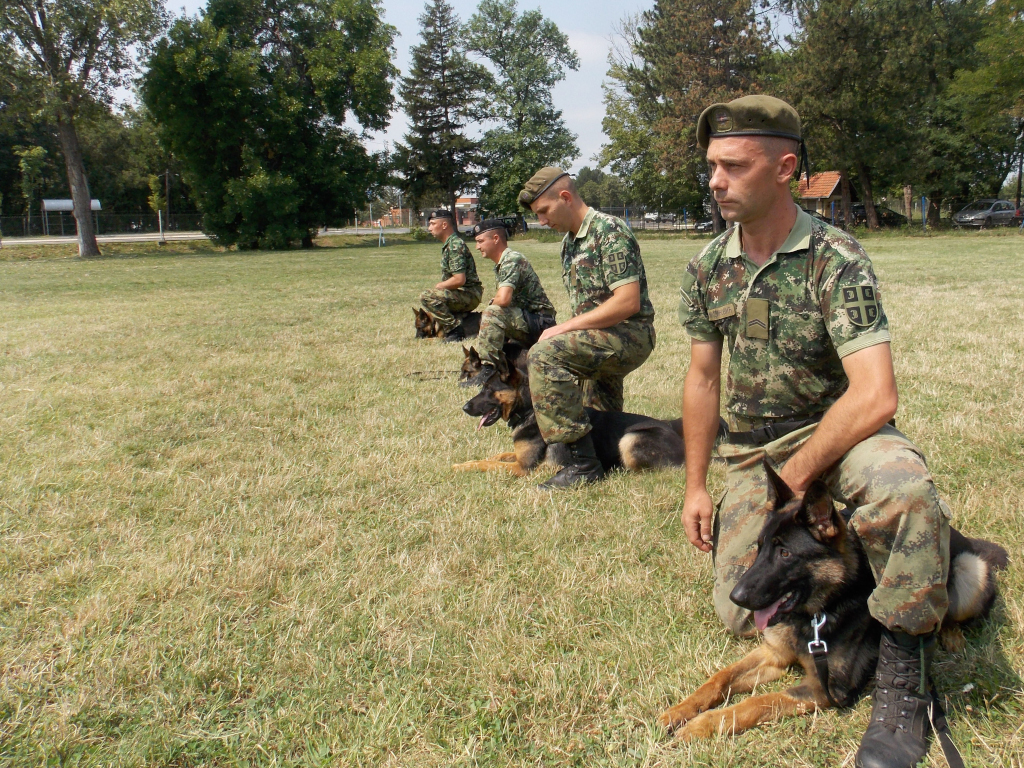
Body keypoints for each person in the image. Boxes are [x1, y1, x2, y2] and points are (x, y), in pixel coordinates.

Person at [678, 95, 951, 768]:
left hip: (841, 433)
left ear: (785, 168)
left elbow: (876, 393)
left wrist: (798, 480)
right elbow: (702, 381)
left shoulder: (836, 257)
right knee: (746, 611)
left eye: (733, 166)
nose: (716, 181)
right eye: (711, 166)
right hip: (753, 451)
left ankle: (901, 680)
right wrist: (694, 486)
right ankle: (875, 557)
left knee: (903, 490)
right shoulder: (707, 267)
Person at [517, 167, 656, 489]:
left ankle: (583, 466)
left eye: (544, 211)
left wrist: (564, 329)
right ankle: (601, 456)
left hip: (630, 334)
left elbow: (627, 303)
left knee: (544, 356)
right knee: (596, 414)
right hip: (603, 335)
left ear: (565, 197)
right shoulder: (570, 243)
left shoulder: (609, 231)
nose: (541, 221)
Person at [461, 219, 557, 388]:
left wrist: (492, 302)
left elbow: (503, 299)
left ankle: (489, 369)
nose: (477, 247)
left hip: (541, 323)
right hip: (530, 320)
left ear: (496, 238)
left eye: (480, 241)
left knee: (492, 313)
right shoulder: (503, 263)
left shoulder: (512, 260)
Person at [419, 209, 483, 342]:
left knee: (427, 296)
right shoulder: (450, 244)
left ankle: (454, 330)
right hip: (462, 293)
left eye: (432, 224)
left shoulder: (455, 245)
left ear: (444, 225)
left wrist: (440, 286)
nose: (429, 228)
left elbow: (459, 279)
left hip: (469, 294)